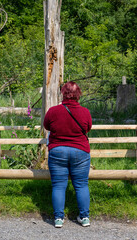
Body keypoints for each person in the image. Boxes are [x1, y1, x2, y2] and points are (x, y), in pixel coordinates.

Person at [43, 81, 92, 228]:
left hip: (58, 151)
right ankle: (84, 217)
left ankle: (58, 218)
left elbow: (47, 126)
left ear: (63, 94)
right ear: (78, 95)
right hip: (80, 151)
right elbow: (88, 128)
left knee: (58, 186)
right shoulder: (85, 112)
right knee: (82, 185)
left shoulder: (53, 111)